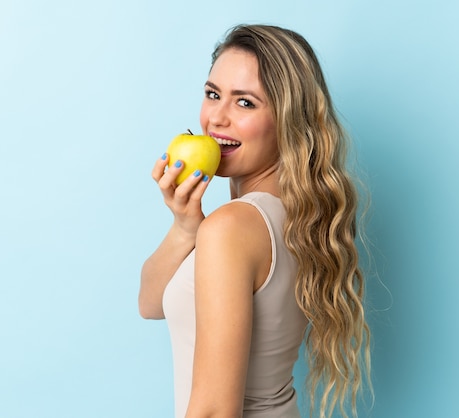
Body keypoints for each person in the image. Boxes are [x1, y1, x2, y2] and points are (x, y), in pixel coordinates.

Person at [139, 24, 371, 418]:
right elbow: (150, 303)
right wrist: (185, 227)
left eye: (245, 103)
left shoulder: (232, 227)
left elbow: (214, 410)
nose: (217, 118)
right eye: (213, 94)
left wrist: (208, 229)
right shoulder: (298, 217)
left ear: (287, 120)